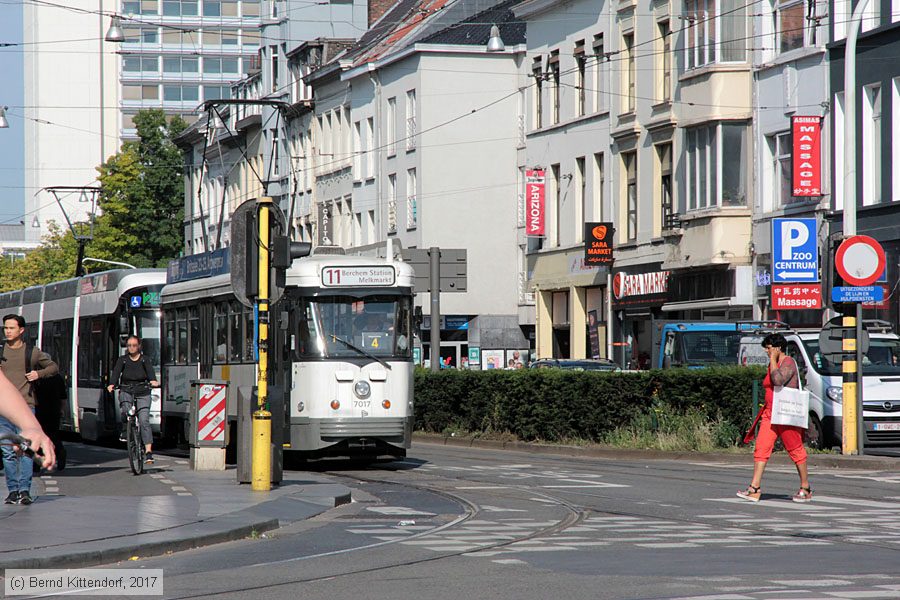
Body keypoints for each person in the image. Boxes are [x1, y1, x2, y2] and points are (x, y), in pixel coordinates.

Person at [737, 333, 812, 503]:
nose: (766, 351)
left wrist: (772, 359)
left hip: (785, 414)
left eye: (769, 348)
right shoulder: (773, 363)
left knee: (795, 449)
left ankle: (805, 487)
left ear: (778, 348)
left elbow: (778, 380)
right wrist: (772, 360)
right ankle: (755, 488)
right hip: (770, 413)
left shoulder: (788, 362)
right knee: (761, 448)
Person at [0, 314, 59, 505]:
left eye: (11, 328)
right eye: (5, 328)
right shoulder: (1, 351)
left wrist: (38, 374)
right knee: (8, 452)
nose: (7, 331)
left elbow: (53, 367)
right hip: (3, 411)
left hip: (26, 406)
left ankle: (25, 490)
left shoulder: (31, 352)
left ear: (21, 330)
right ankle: (13, 490)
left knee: (27, 451)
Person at [108, 336, 159, 464]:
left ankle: (148, 452)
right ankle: (126, 428)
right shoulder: (123, 360)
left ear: (139, 346)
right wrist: (112, 384)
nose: (131, 348)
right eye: (129, 345)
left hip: (142, 391)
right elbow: (116, 373)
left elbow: (150, 373)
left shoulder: (144, 359)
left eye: (134, 345)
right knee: (126, 411)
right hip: (127, 390)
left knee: (144, 420)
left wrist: (153, 381)